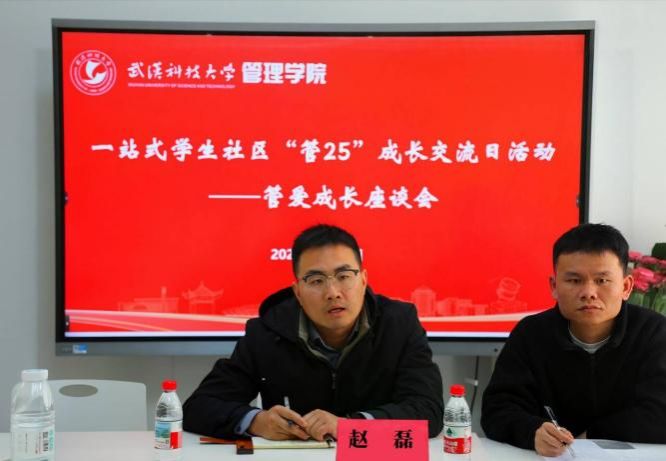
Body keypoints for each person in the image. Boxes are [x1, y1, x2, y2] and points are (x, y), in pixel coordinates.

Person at [183, 224, 444, 441]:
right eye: (316, 281)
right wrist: (257, 422)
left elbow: (428, 410)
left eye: (344, 276)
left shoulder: (399, 324)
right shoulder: (266, 333)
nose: (333, 292)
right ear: (297, 291)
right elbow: (200, 406)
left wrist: (351, 426)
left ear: (363, 280)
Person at [481, 223, 666, 456]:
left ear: (626, 287)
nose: (588, 293)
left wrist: (590, 435)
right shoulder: (531, 334)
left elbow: (661, 413)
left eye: (602, 280)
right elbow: (497, 410)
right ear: (554, 286)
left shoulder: (654, 332)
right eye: (574, 281)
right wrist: (532, 432)